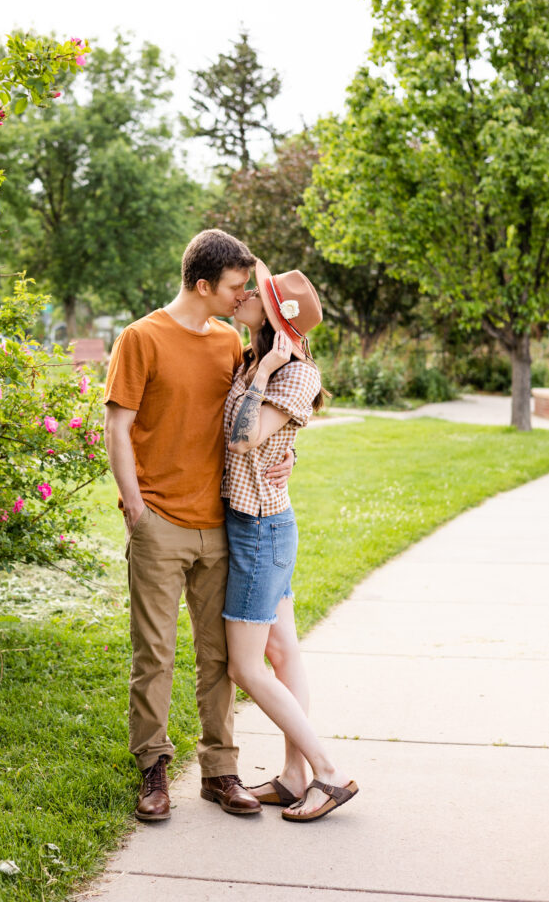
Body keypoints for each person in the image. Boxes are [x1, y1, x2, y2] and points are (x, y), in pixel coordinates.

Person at [103, 230, 294, 823]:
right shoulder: (141, 338)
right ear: (203, 284)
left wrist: (283, 457)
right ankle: (154, 768)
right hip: (160, 519)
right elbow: (118, 426)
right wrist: (135, 505)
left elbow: (247, 424)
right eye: (237, 287)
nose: (244, 297)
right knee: (154, 653)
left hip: (224, 523)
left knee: (219, 659)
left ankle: (220, 771)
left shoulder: (229, 342)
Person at [222, 259, 359, 823]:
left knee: (246, 668)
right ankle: (295, 777)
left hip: (261, 530)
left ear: (274, 316)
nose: (246, 294)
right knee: (282, 653)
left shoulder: (292, 371)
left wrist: (268, 367)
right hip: (257, 523)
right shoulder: (255, 357)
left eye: (257, 292)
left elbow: (243, 439)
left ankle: (328, 773)